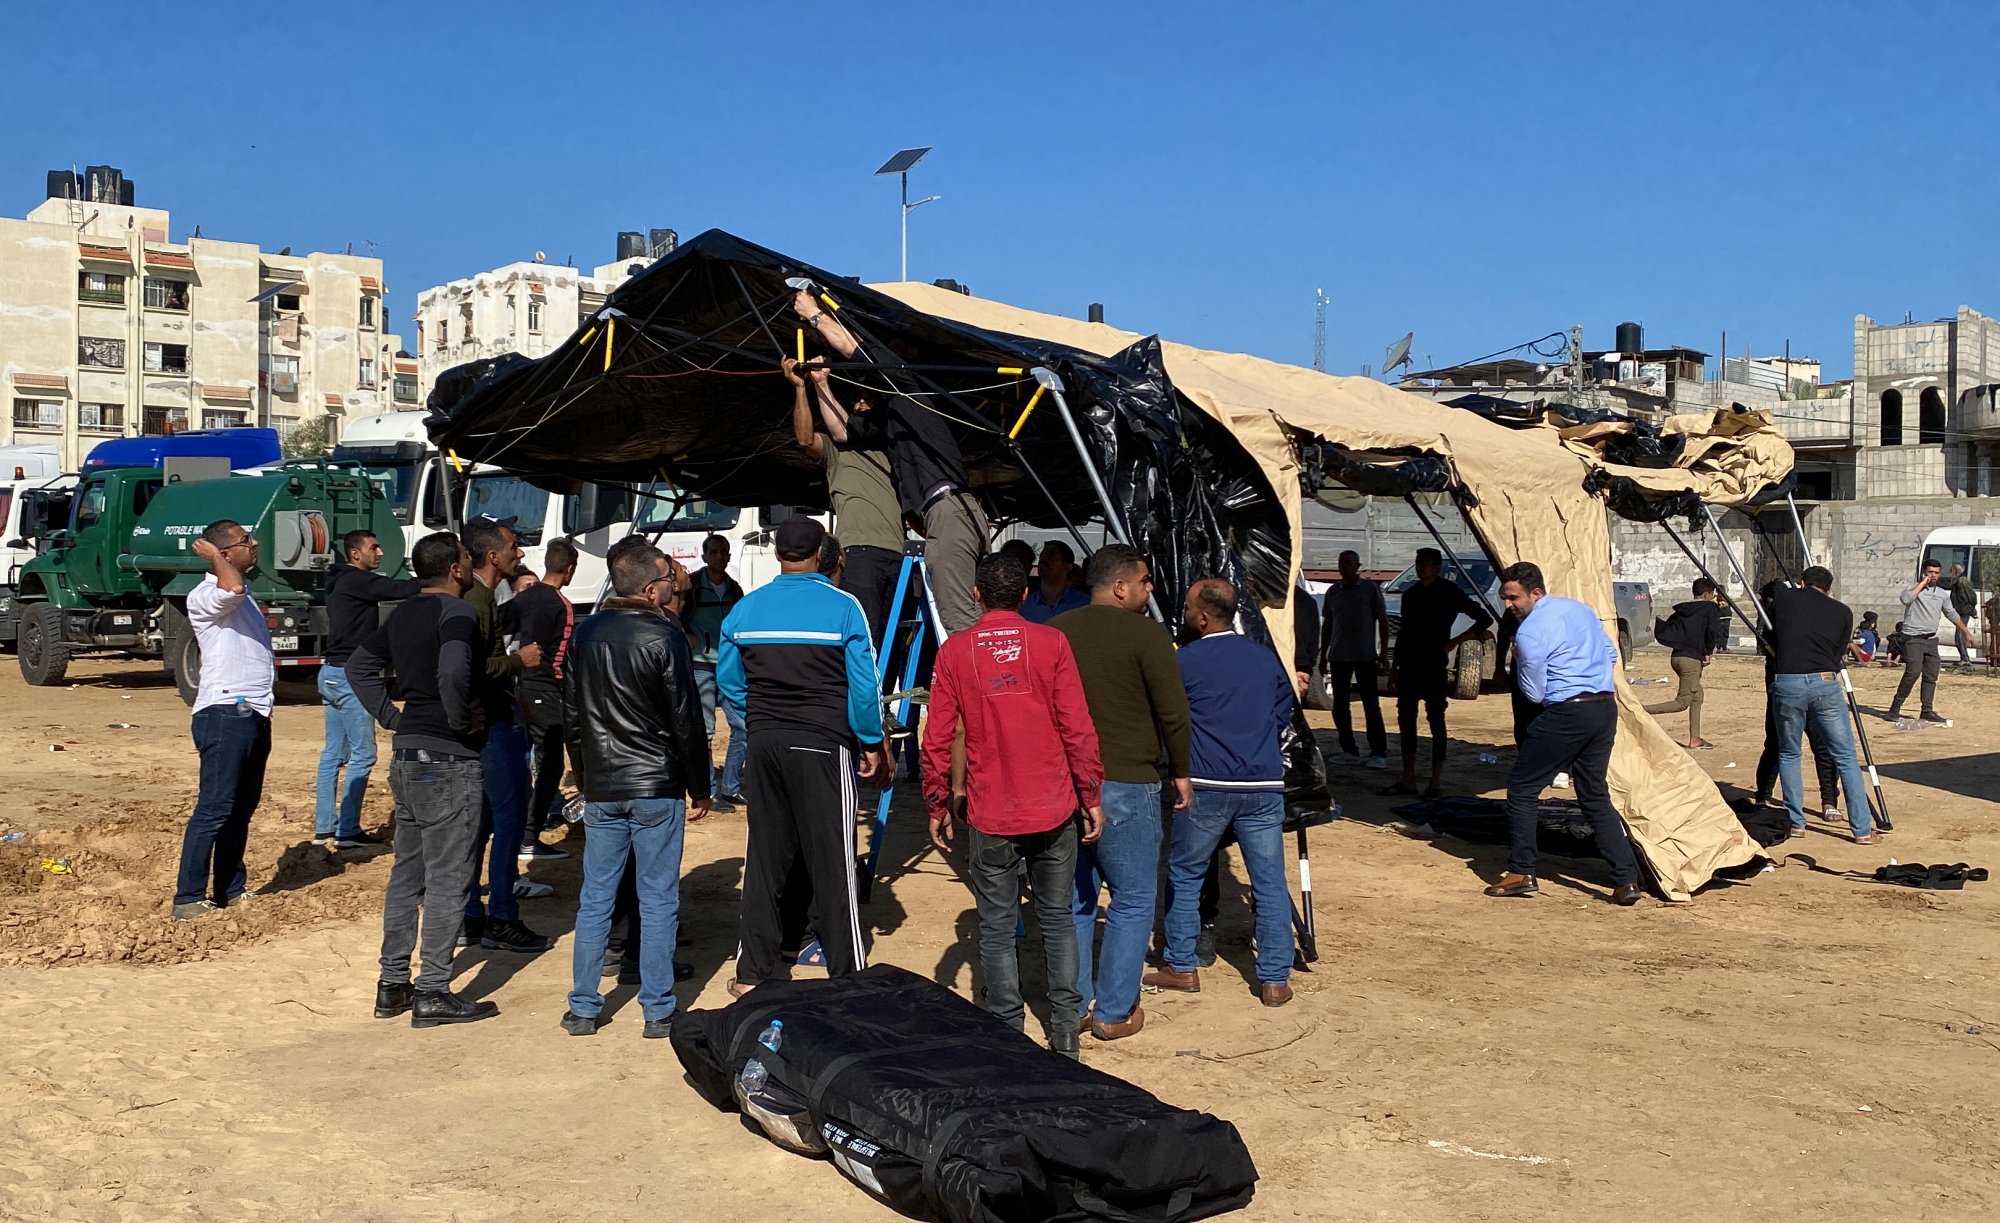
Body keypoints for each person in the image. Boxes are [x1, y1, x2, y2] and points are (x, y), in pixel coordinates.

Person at [923, 553, 1104, 1058]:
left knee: (997, 926)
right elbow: (1077, 726)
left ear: (976, 595)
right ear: (1024, 595)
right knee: (1057, 917)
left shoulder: (956, 652)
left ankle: (1007, 1028)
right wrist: (1090, 793)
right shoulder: (1052, 643)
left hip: (992, 810)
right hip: (1052, 805)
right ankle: (1065, 1029)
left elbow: (938, 736)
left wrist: (937, 801)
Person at [718, 516, 889, 994]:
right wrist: (870, 740)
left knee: (764, 859)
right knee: (833, 860)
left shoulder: (746, 609)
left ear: (778, 555)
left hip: (764, 742)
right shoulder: (844, 607)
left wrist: (761, 719)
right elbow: (864, 685)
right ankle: (847, 975)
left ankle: (752, 973)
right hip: (822, 742)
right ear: (820, 555)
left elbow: (730, 682)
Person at [559, 542, 712, 1039]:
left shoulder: (585, 633)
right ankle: (657, 1009)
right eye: (668, 578)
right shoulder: (664, 636)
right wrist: (700, 787)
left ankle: (584, 1006)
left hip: (605, 783)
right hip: (655, 784)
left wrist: (585, 778)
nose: (674, 584)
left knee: (596, 897)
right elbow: (686, 718)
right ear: (649, 589)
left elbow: (573, 717)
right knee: (658, 898)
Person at [346, 531, 497, 1028]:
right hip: (448, 759)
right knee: (449, 879)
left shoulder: (403, 613)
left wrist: (393, 718)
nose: (470, 564)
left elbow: (359, 667)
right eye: (467, 558)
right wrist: (457, 720)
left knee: (406, 876)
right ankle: (432, 989)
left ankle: (393, 984)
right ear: (455, 569)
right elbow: (453, 668)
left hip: (408, 755)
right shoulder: (458, 613)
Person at [1052, 543, 1193, 1042]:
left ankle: (1073, 1007)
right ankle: (1114, 1011)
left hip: (1068, 784)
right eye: (1144, 580)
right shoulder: (1147, 635)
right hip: (1130, 781)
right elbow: (1173, 712)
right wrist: (1181, 770)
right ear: (1120, 587)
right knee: (1132, 898)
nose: (1149, 588)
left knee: (1075, 897)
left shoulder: (1056, 633)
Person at [795, 290, 990, 634]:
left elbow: (856, 351)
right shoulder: (896, 418)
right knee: (965, 610)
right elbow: (842, 431)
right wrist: (821, 382)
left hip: (948, 510)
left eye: (895, 345)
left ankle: (979, 668)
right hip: (949, 513)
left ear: (911, 354)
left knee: (959, 618)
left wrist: (814, 313)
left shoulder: (909, 388)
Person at [1144, 579, 1297, 1007]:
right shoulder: (1264, 658)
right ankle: (1274, 978)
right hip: (1262, 783)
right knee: (1268, 880)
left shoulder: (1185, 661)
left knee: (1186, 873)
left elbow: (1168, 717)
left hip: (1206, 782)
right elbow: (1282, 714)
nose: (1184, 614)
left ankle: (1182, 964)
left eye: (1187, 608)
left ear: (1202, 617)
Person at [1482, 563, 1643, 904]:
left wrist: (1518, 660)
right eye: (1504, 598)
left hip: (1566, 712)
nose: (1508, 605)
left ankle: (1521, 871)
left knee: (1522, 789)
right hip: (1603, 707)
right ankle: (1626, 879)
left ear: (1536, 593)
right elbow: (1611, 652)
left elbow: (1534, 693)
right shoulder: (1580, 610)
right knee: (1594, 795)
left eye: (1514, 598)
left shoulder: (1529, 633)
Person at [171, 519, 275, 921]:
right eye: (245, 540)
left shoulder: (244, 593)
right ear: (226, 553)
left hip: (254, 710)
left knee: (241, 808)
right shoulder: (205, 595)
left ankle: (230, 889)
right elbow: (230, 588)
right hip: (225, 711)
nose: (255, 543)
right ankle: (188, 897)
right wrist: (215, 556)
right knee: (215, 807)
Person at [458, 516, 551, 953]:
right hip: (494, 725)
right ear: (493, 556)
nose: (521, 552)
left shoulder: (482, 596)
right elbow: (473, 668)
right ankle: (502, 916)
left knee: (486, 821)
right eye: (514, 546)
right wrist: (519, 661)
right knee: (509, 818)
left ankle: (472, 914)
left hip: (495, 718)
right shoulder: (477, 600)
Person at [785, 356, 908, 649]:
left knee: (898, 642)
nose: (862, 405)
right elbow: (805, 440)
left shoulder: (894, 450)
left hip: (899, 554)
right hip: (859, 552)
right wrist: (802, 388)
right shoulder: (838, 448)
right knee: (866, 637)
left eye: (870, 401)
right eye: (858, 402)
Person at [316, 528, 418, 850]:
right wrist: (434, 580)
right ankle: (347, 831)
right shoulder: (356, 580)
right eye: (374, 548)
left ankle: (325, 826)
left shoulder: (340, 580)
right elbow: (399, 589)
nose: (380, 553)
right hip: (350, 676)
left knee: (333, 754)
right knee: (364, 754)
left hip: (330, 673)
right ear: (355, 554)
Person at [1768, 566, 1879, 843]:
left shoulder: (1784, 599)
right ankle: (1862, 829)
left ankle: (1796, 822)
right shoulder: (1842, 611)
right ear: (1829, 588)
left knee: (1790, 753)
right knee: (1845, 756)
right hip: (1825, 680)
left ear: (1802, 582)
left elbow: (1772, 623)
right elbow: (1838, 652)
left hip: (1788, 681)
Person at [1383, 548, 1492, 799]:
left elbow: (1483, 619)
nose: (1419, 567)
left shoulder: (1449, 591)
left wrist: (1455, 642)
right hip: (1410, 664)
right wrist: (1394, 669)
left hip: (1433, 663)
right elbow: (1405, 633)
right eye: (1417, 562)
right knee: (1406, 720)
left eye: (1424, 563)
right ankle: (1408, 779)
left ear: (1436, 567)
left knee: (1436, 720)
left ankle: (1435, 781)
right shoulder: (1410, 594)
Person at [506, 536, 577, 865]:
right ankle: (529, 836)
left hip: (519, 684)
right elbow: (560, 659)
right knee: (550, 765)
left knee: (522, 762)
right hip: (545, 689)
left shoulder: (524, 596)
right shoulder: (561, 604)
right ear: (570, 569)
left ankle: (518, 829)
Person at [1751, 580, 1843, 822]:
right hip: (1781, 691)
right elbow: (1765, 648)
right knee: (1777, 744)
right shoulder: (1770, 623)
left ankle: (1829, 800)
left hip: (1813, 687)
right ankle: (1763, 795)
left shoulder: (1800, 619)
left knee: (1822, 745)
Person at [686, 533, 749, 813]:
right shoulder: (692, 587)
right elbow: (675, 614)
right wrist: (686, 634)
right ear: (704, 557)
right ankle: (709, 792)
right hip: (701, 667)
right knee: (706, 732)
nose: (719, 557)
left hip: (729, 668)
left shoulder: (734, 589)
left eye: (723, 552)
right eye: (714, 552)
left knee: (743, 726)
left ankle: (730, 787)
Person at [1319, 550, 1389, 767]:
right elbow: (1328, 624)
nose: (1343, 566)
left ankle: (1379, 752)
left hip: (1364, 655)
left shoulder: (1369, 589)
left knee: (1370, 704)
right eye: (1341, 562)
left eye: (1348, 563)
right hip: (1339, 656)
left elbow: (1382, 620)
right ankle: (1349, 749)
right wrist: (1324, 654)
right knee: (1340, 706)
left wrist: (1383, 652)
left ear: (1357, 566)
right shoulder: (1333, 592)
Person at [1643, 577, 1728, 750]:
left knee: (1697, 695)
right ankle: (1642, 710)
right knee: (1683, 702)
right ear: (1707, 594)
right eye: (1712, 594)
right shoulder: (1709, 609)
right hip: (1691, 660)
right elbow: (1712, 632)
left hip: (1677, 657)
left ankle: (1695, 738)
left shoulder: (1682, 610)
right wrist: (1707, 652)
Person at [1888, 558, 1968, 724]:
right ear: (1924, 572)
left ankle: (1927, 710)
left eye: (1936, 573)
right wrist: (1922, 584)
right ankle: (1895, 708)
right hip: (1913, 638)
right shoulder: (1913, 588)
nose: (1933, 575)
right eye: (1930, 572)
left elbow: (1951, 613)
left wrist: (1966, 631)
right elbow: (1905, 599)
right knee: (1913, 672)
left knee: (1931, 675)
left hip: (1931, 639)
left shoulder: (1941, 594)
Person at [1021, 541, 1088, 624]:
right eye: (1042, 556)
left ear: (1067, 566)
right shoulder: (1025, 604)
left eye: (1052, 556)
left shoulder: (1084, 603)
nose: (1044, 559)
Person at [1947, 562, 1978, 669]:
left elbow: (1971, 597)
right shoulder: (1957, 581)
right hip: (1959, 611)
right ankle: (1964, 658)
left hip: (1963, 611)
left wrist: (1971, 609)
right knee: (1960, 635)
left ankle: (1965, 659)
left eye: (1952, 570)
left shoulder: (1962, 581)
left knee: (1960, 635)